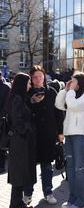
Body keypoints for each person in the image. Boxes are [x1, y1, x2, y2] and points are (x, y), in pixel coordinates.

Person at [23, 66, 64, 206]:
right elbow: (23, 113)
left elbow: (59, 113)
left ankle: (48, 192)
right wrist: (33, 102)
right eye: (35, 77)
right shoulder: (26, 93)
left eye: (41, 76)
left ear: (44, 77)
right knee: (29, 166)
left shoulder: (52, 92)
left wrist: (60, 132)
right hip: (32, 135)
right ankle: (27, 193)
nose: (38, 79)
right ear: (31, 79)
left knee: (47, 166)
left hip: (48, 134)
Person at [55, 72, 84, 208]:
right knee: (71, 168)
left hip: (80, 135)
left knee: (81, 168)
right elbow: (58, 104)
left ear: (79, 83)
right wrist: (65, 90)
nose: (71, 83)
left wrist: (70, 92)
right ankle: (73, 199)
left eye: (73, 81)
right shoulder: (71, 95)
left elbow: (74, 105)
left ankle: (83, 202)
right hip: (69, 134)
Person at [7, 73, 36, 208]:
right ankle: (15, 204)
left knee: (20, 175)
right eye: (29, 82)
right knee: (19, 175)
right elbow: (17, 120)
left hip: (21, 141)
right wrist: (27, 129)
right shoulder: (17, 99)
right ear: (22, 84)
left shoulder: (20, 98)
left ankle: (18, 203)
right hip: (19, 142)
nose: (30, 85)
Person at [0, 71, 10, 173]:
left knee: (2, 144)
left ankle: (1, 165)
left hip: (2, 119)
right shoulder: (6, 87)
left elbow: (7, 104)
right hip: (2, 118)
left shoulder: (6, 88)